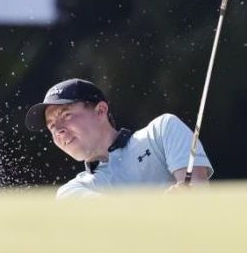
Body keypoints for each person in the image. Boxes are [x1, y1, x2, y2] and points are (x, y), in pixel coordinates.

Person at [25, 78, 213, 198]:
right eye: (51, 126)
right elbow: (119, 223)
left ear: (101, 110)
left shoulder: (162, 130)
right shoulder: (71, 192)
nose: (58, 130)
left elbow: (198, 193)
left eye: (66, 115)